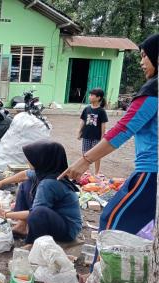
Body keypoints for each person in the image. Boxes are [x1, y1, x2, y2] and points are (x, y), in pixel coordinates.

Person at [59, 34, 158, 238]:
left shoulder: (153, 91)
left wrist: (84, 161)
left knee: (113, 221)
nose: (141, 62)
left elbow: (123, 129)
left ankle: (100, 270)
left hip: (151, 171)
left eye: (144, 56)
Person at [0, 140, 81, 249]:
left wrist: (6, 215)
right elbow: (24, 175)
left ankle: (34, 243)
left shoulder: (49, 183)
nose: (28, 160)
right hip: (56, 218)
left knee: (38, 212)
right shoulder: (48, 171)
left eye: (32, 158)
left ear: (43, 159)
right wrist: (2, 182)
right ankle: (22, 226)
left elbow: (34, 213)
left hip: (67, 230)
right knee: (26, 184)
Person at [77, 88, 108, 175]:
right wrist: (79, 132)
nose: (89, 97)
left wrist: (102, 137)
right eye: (90, 95)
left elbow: (103, 125)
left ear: (98, 98)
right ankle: (86, 171)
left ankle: (96, 172)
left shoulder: (101, 111)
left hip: (97, 137)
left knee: (97, 155)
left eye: (91, 95)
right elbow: (82, 121)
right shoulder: (86, 109)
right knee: (85, 154)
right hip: (86, 135)